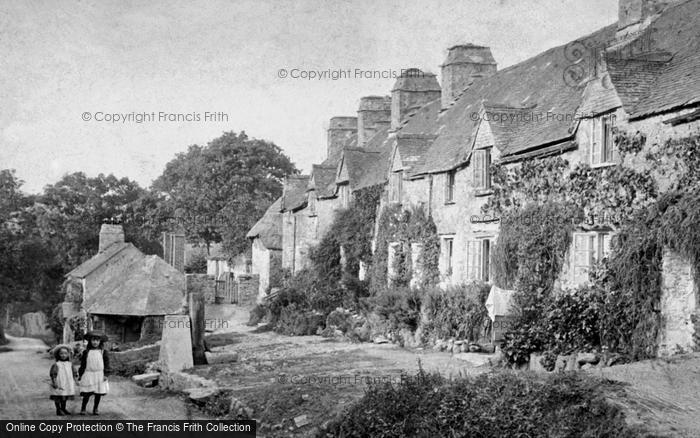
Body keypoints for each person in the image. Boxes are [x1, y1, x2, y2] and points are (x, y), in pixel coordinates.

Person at [77, 331, 110, 415]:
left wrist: (106, 374)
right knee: (87, 393)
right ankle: (83, 408)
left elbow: (107, 364)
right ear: (90, 341)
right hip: (88, 374)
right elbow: (83, 364)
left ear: (100, 342)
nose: (95, 342)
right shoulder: (86, 352)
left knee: (98, 393)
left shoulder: (103, 352)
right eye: (93, 340)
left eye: (97, 340)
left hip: (99, 375)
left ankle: (95, 408)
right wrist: (81, 374)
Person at [49, 345, 77, 416]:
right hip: (59, 382)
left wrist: (76, 379)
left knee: (64, 396)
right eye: (61, 353)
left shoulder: (70, 364)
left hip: (67, 382)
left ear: (68, 354)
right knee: (58, 396)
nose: (63, 355)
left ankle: (63, 408)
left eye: (65, 353)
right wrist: (54, 381)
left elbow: (74, 372)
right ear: (58, 355)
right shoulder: (56, 364)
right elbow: (53, 374)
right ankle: (58, 409)